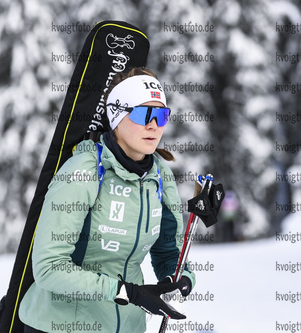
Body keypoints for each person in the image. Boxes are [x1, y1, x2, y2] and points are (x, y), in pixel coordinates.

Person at [19, 67, 195, 333]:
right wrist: (127, 292)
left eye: (161, 115)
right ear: (116, 115)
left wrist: (179, 280)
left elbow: (168, 253)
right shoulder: (84, 171)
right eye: (143, 113)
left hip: (128, 327)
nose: (153, 125)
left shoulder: (160, 176)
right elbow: (49, 267)